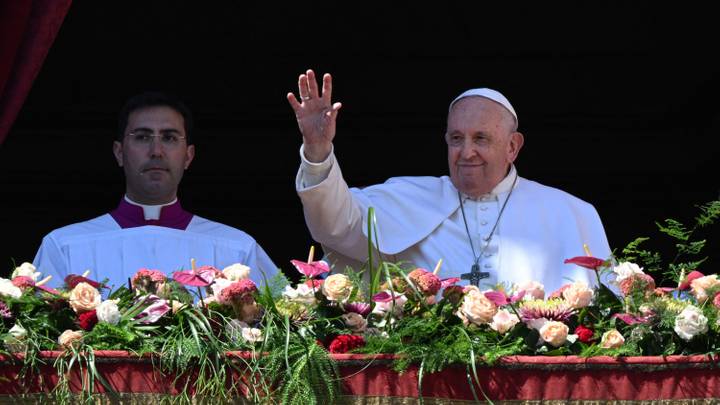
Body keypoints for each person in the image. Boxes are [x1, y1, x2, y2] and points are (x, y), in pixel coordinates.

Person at [288, 69, 611, 293]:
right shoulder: (408, 197)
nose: (466, 152)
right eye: (456, 138)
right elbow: (335, 224)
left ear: (512, 146)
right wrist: (318, 151)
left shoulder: (568, 211)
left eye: (481, 138)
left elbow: (608, 310)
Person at [33, 92, 278, 290]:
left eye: (170, 138)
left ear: (188, 156)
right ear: (119, 152)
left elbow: (290, 324)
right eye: (142, 137)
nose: (156, 151)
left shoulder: (237, 248)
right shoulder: (65, 246)